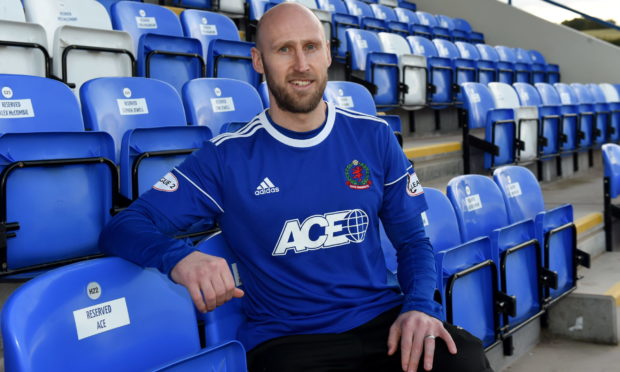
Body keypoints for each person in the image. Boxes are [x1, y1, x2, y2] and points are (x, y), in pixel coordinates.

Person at [100, 3, 492, 371]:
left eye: (310, 47)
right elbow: (123, 226)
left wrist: (421, 306)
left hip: (380, 321)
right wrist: (179, 257)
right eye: (284, 50)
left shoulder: (373, 136)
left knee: (465, 360)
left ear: (327, 56)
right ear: (258, 62)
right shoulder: (226, 157)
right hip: (288, 341)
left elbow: (413, 243)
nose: (301, 64)